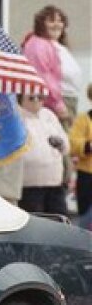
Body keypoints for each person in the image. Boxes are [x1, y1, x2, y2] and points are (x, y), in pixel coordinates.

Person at [22, 5, 83, 129]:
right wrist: (58, 105)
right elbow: (43, 77)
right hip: (54, 104)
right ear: (41, 24)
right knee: (58, 144)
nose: (57, 24)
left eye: (60, 21)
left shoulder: (54, 45)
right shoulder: (38, 45)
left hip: (67, 100)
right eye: (51, 21)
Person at [17, 93, 70, 216]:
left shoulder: (49, 115)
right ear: (20, 98)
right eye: (31, 97)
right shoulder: (16, 116)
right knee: (35, 225)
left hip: (55, 183)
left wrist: (60, 143)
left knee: (60, 222)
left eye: (40, 97)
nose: (36, 100)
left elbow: (66, 146)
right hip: (29, 185)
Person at [69, 83, 92, 230]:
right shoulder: (83, 119)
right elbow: (73, 143)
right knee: (85, 217)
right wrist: (89, 146)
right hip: (86, 176)